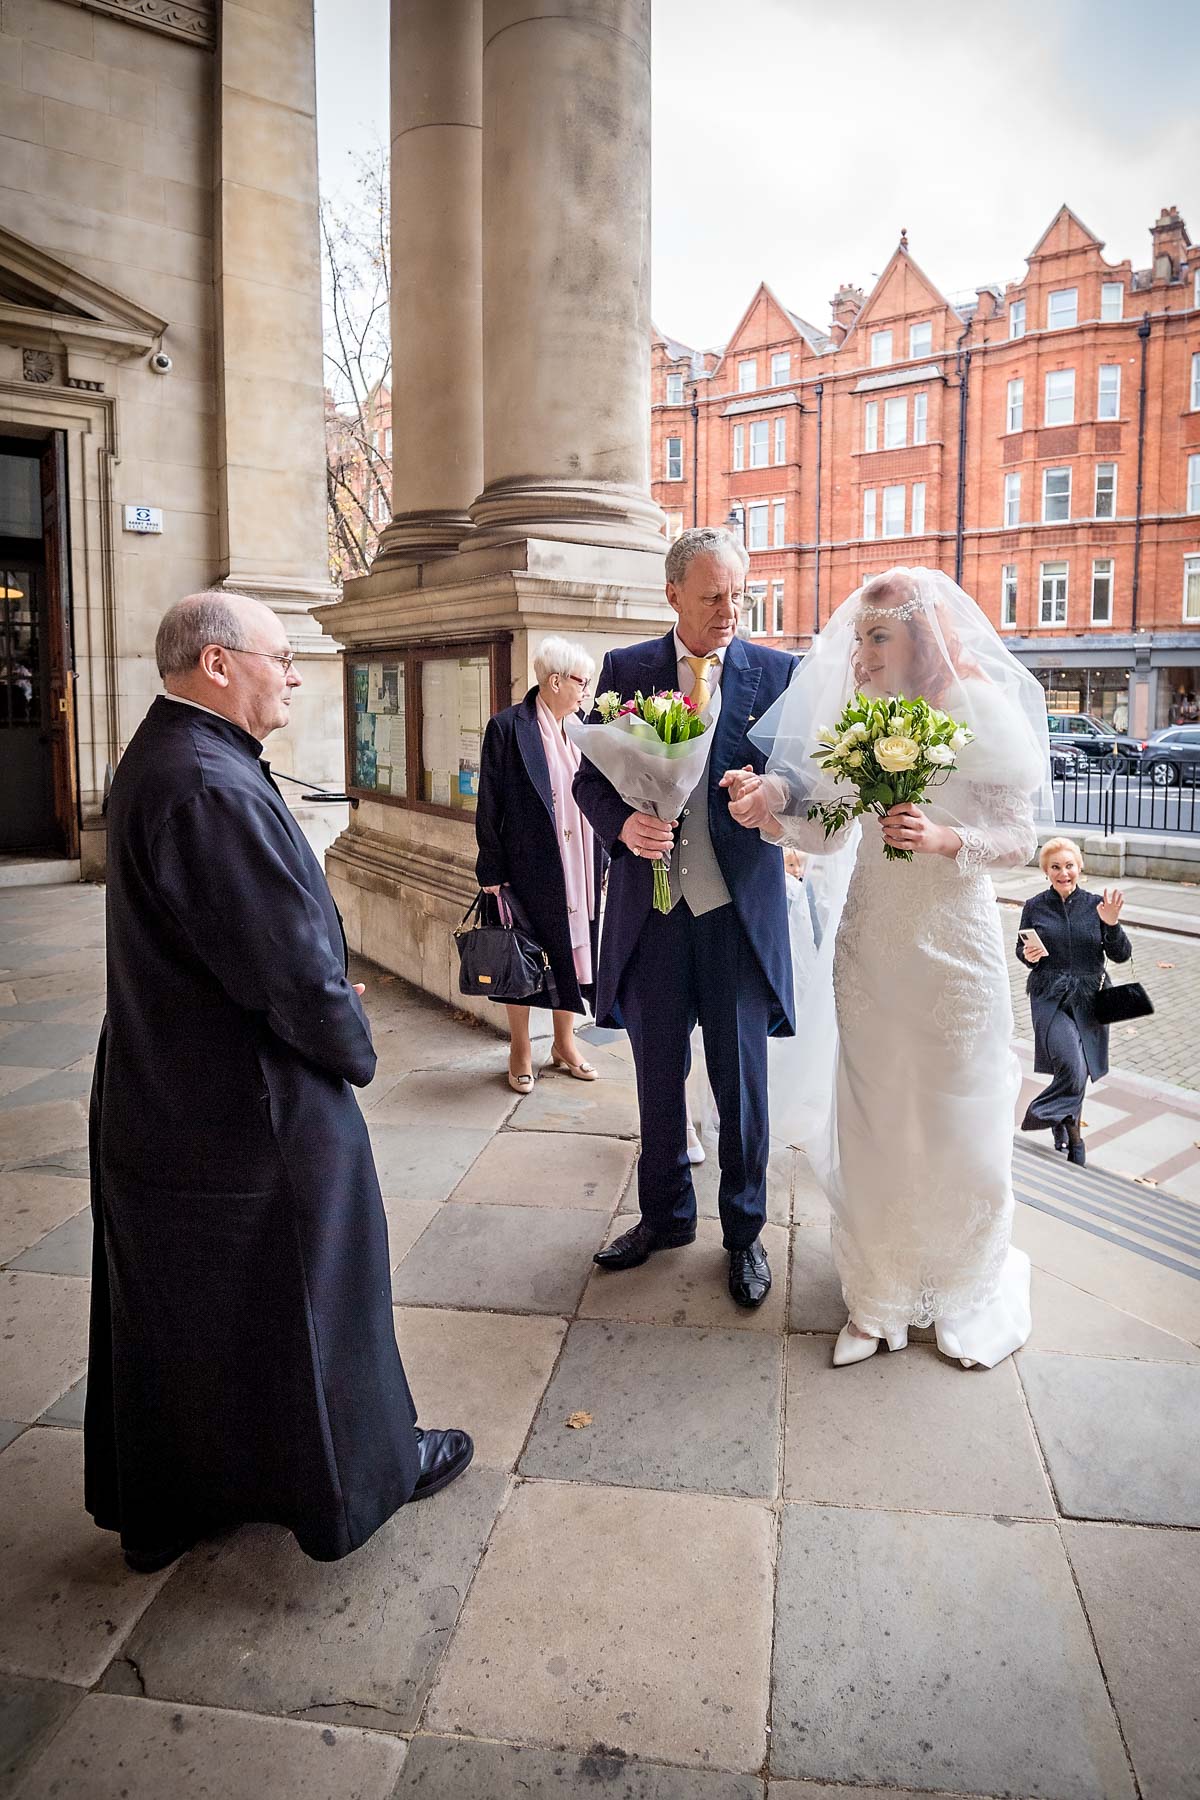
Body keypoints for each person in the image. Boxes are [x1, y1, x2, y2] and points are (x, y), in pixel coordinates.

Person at [86, 590, 472, 1572]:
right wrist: (353, 1045)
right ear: (218, 665)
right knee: (320, 1294)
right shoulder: (207, 783)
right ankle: (368, 1471)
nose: (295, 674)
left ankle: (200, 1491)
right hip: (249, 1100)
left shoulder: (175, 757)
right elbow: (290, 971)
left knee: (202, 1312)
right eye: (281, 655)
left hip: (174, 1093)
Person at [725, 566, 1051, 1368]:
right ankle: (880, 1297)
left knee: (958, 1121)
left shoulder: (979, 712)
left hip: (955, 950)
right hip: (871, 946)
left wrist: (946, 840)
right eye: (860, 637)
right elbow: (830, 829)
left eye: (878, 637)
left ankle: (964, 1285)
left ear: (923, 639)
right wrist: (769, 800)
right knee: (873, 1120)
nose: (860, 654)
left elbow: (1020, 840)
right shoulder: (863, 718)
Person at [574, 527, 799, 1309]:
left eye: (739, 592)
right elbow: (589, 782)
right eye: (713, 596)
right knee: (656, 1077)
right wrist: (622, 828)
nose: (730, 609)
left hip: (736, 918)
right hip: (654, 916)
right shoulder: (626, 670)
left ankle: (743, 1235)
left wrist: (766, 800)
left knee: (741, 1088)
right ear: (673, 595)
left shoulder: (777, 673)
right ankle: (664, 1217)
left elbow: (802, 788)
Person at [474, 636, 607, 1092]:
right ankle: (521, 1047)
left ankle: (565, 1043)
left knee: (574, 951)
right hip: (529, 865)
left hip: (581, 863)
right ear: (555, 680)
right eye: (581, 682)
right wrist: (490, 870)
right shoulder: (508, 727)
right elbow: (489, 803)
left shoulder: (585, 727)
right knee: (526, 957)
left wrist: (607, 858)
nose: (585, 690)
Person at [1016, 837, 1130, 1166]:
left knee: (1078, 1069)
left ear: (1080, 867)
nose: (1063, 872)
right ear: (1046, 872)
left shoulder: (1097, 905)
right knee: (1073, 1067)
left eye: (1069, 865)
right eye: (1055, 867)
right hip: (1049, 996)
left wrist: (1112, 924)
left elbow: (1121, 955)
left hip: (1092, 998)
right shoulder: (1034, 906)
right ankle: (1068, 1131)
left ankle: (1059, 1121)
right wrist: (1028, 954)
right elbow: (1021, 950)